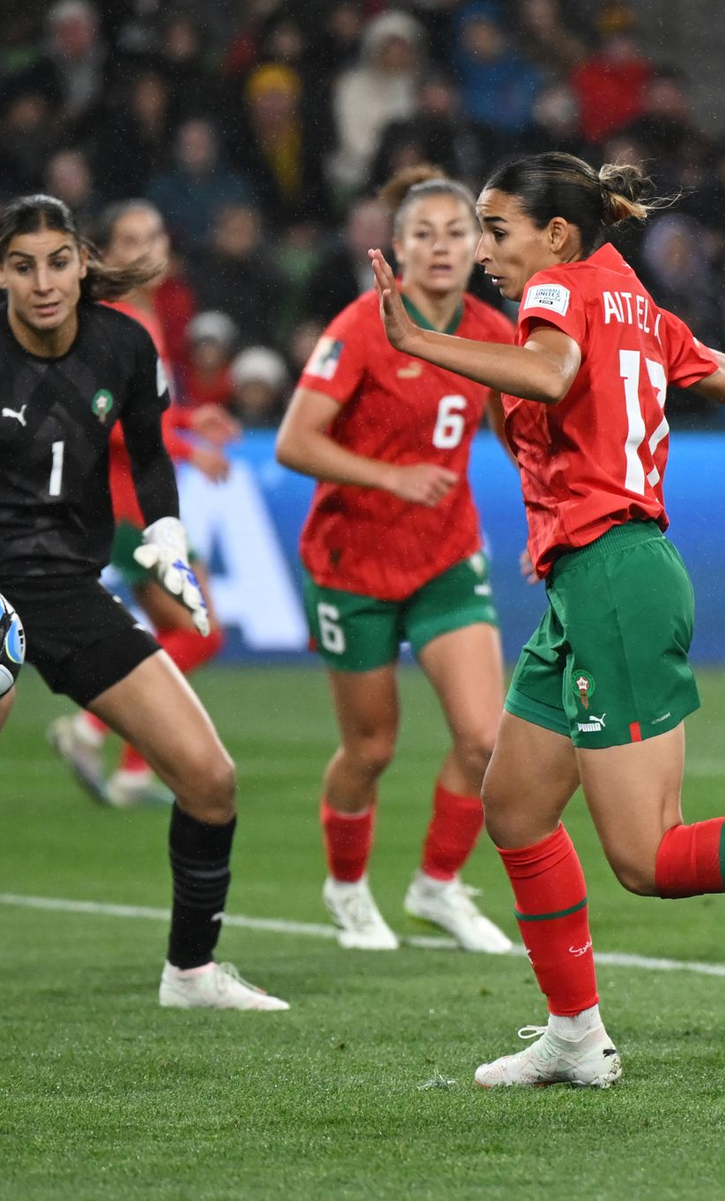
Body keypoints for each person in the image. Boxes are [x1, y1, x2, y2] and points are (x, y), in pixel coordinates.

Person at [368, 151, 725, 1088]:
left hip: (617, 580)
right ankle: (573, 1033)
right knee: (514, 807)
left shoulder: (558, 292)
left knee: (648, 853)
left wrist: (420, 341)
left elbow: (553, 376)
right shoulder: (628, 296)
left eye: (497, 227)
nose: (483, 248)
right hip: (591, 574)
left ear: (556, 234)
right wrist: (667, 376)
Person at [0, 194, 285, 1011]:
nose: (44, 282)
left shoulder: (124, 344)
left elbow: (150, 459)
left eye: (58, 261)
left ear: (82, 262)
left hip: (70, 592)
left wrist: (169, 539)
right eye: (23, 265)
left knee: (210, 778)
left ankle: (190, 974)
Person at [275, 168, 515, 956]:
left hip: (446, 555)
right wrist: (392, 476)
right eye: (424, 233)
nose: (442, 247)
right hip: (354, 562)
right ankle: (345, 889)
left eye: (457, 233)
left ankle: (437, 885)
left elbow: (516, 431)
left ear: (478, 245)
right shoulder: (360, 327)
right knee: (372, 748)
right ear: (398, 248)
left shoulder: (489, 328)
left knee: (486, 740)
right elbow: (294, 440)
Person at [47, 199, 235, 807]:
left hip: (138, 504)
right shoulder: (110, 321)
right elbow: (115, 426)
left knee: (169, 629)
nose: (146, 249)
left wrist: (188, 418)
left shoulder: (142, 317)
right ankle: (89, 724)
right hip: (123, 506)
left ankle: (134, 771)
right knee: (200, 633)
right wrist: (186, 445)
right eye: (130, 241)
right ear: (104, 255)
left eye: (154, 236)